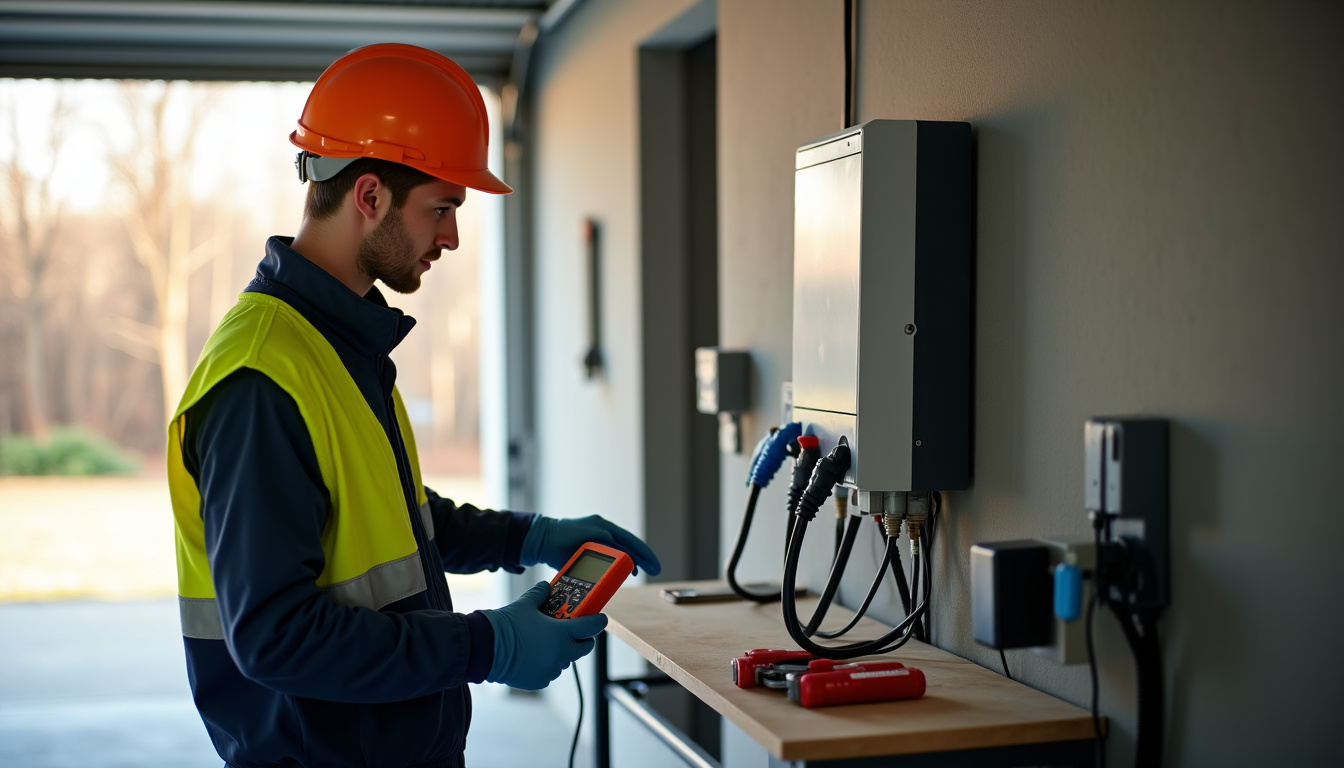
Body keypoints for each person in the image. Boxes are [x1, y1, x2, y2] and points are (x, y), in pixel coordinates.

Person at [166, 43, 660, 768]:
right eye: (443, 208)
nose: (452, 237)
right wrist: (488, 644)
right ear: (369, 197)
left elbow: (388, 519)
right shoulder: (261, 380)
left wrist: (531, 537)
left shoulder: (335, 341)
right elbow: (276, 636)